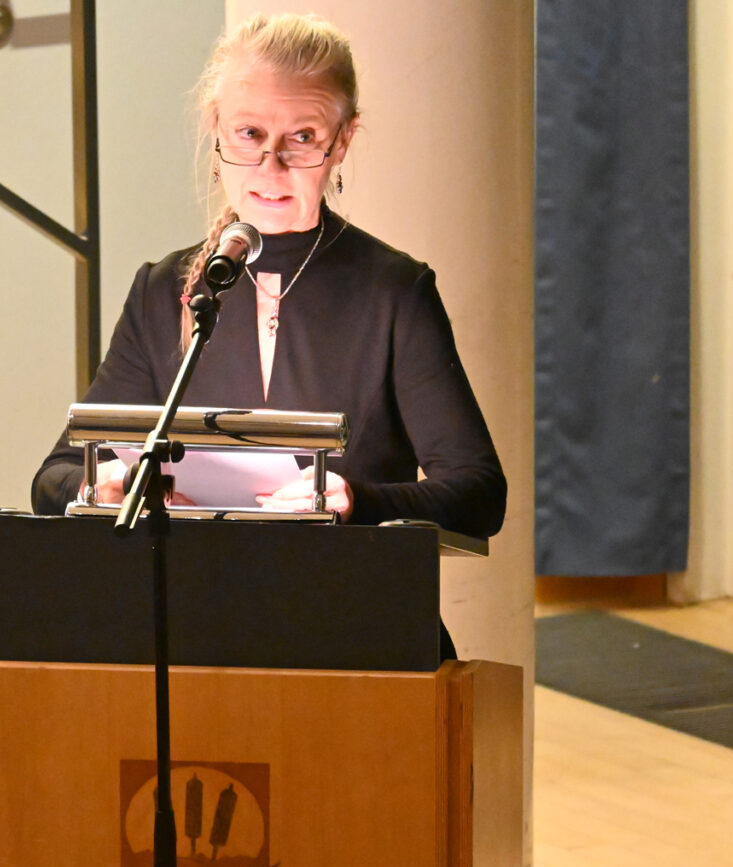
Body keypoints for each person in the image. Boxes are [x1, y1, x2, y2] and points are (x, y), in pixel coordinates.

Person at [32, 12, 506, 542]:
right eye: (249, 133)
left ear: (342, 141)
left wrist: (358, 500)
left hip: (349, 592)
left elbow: (480, 494)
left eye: (302, 136)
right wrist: (107, 485)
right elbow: (53, 478)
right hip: (196, 592)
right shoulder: (162, 291)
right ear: (216, 129)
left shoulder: (394, 292)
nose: (270, 165)